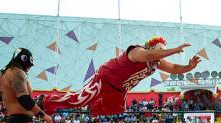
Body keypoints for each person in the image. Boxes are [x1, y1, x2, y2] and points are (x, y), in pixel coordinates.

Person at [39, 36, 201, 116]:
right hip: (106, 77)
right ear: (151, 48)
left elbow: (173, 68)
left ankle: (92, 107)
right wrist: (174, 49)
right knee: (78, 100)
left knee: (118, 109)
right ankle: (44, 101)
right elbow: (151, 55)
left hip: (119, 89)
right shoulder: (138, 52)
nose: (161, 52)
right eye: (159, 49)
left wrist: (189, 66)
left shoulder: (156, 61)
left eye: (162, 49)